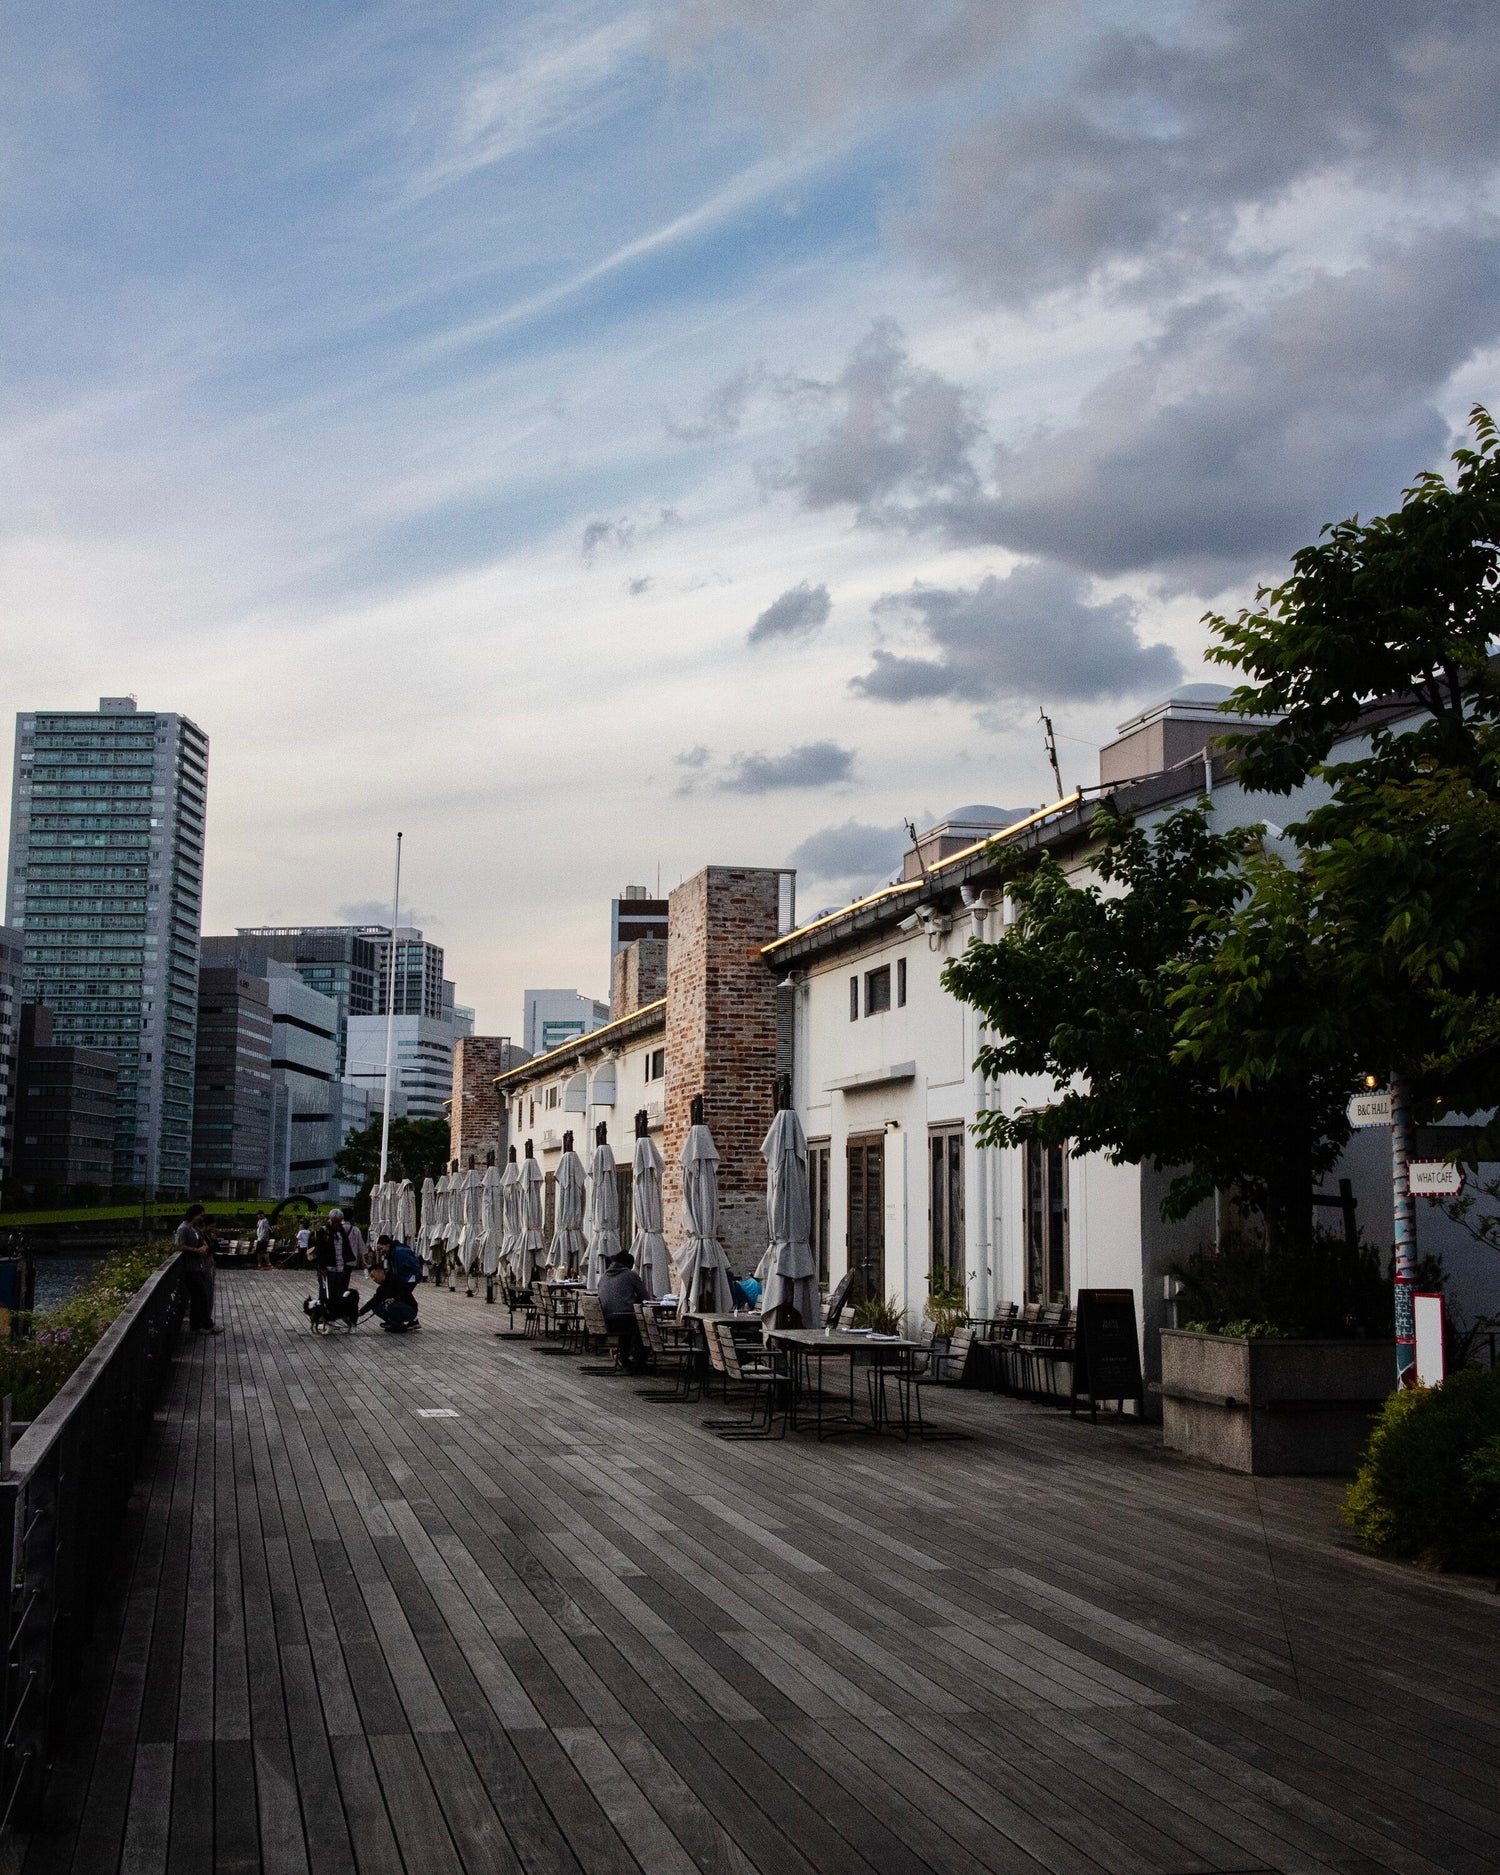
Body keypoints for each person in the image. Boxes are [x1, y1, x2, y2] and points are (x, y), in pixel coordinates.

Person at [597, 1250, 651, 1373]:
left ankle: (625, 1358)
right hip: (623, 1320)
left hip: (606, 1322)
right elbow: (645, 1298)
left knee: (632, 1323)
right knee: (645, 1326)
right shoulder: (630, 1275)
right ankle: (639, 1361)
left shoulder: (603, 1277)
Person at [175, 1203, 222, 1334]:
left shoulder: (195, 1229)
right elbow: (178, 1246)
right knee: (201, 1296)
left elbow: (204, 1242)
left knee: (199, 1298)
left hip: (198, 1267)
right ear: (193, 1215)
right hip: (190, 1268)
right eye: (200, 1215)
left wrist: (204, 1247)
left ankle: (197, 1325)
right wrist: (196, 1250)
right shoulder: (184, 1228)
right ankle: (205, 1324)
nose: (202, 1218)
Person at [360, 1235, 421, 1331]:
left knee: (396, 1301)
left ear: (387, 1245)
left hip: (409, 1279)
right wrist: (359, 1313)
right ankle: (394, 1321)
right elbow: (374, 1301)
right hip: (405, 1279)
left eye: (381, 1248)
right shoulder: (392, 1253)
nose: (381, 1252)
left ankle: (402, 1323)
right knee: (380, 1303)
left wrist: (395, 1297)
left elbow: (410, 1268)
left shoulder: (399, 1252)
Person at [313, 1208, 361, 1315]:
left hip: (340, 1268)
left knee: (338, 1293)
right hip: (327, 1269)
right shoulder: (324, 1231)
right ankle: (323, 1314)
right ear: (329, 1219)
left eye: (338, 1221)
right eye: (334, 1221)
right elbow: (319, 1251)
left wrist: (349, 1263)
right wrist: (322, 1267)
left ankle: (333, 1314)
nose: (336, 1224)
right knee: (325, 1293)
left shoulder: (341, 1231)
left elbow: (346, 1248)